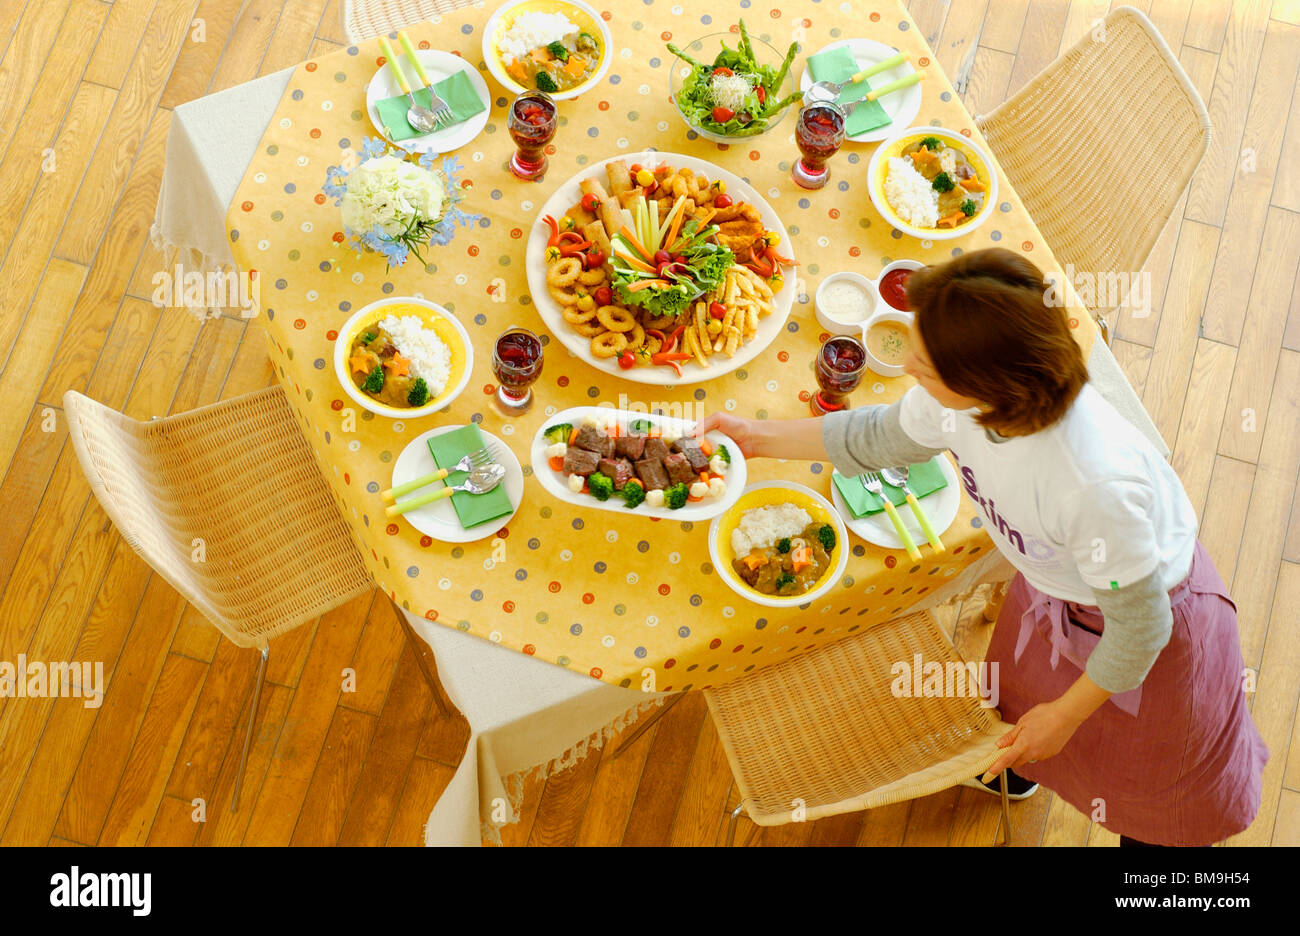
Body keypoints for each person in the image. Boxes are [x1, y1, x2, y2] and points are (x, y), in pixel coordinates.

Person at [698, 247, 1268, 846]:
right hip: (1057, 590)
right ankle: (1020, 773)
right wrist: (752, 437)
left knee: (1153, 798)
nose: (908, 366)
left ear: (984, 383)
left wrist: (1067, 716)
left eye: (924, 361)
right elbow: (880, 435)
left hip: (1149, 631)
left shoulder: (1093, 485)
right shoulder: (972, 398)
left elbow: (1142, 629)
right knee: (1021, 705)